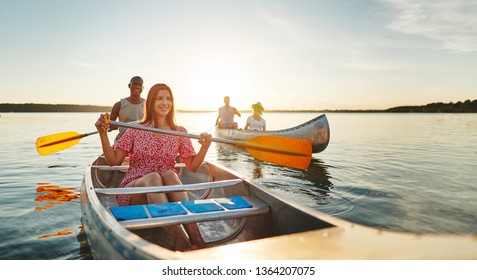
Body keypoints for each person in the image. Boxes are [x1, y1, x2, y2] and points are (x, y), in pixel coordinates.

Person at [95, 83, 212, 251]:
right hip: (135, 191)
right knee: (154, 177)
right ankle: (180, 241)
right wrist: (103, 133)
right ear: (150, 102)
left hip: (167, 187)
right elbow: (113, 161)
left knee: (170, 175)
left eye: (168, 99)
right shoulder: (136, 129)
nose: (165, 103)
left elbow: (192, 166)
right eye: (159, 99)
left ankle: (196, 237)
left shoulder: (179, 131)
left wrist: (205, 147)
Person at [109, 76, 145, 142]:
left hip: (142, 141)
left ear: (143, 88)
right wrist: (111, 125)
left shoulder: (148, 105)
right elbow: (110, 126)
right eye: (134, 84)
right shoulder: (119, 105)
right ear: (129, 85)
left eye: (140, 85)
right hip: (123, 140)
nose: (137, 86)